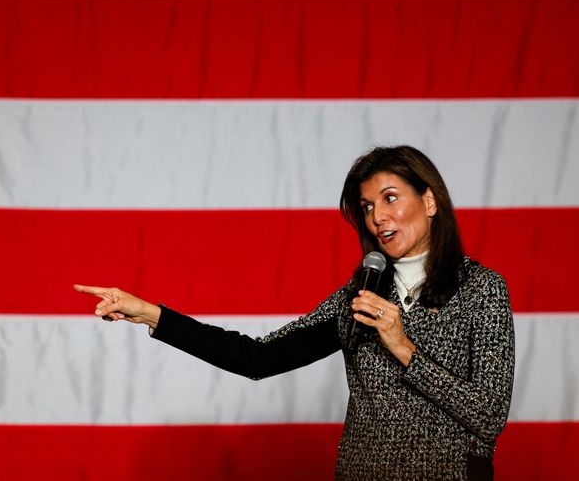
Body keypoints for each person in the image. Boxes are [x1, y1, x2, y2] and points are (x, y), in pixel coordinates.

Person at [74, 145, 514, 480]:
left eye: (391, 198)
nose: (378, 217)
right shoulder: (356, 298)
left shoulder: (482, 289)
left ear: (430, 201)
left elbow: (489, 415)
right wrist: (154, 316)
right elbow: (257, 358)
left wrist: (403, 348)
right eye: (366, 207)